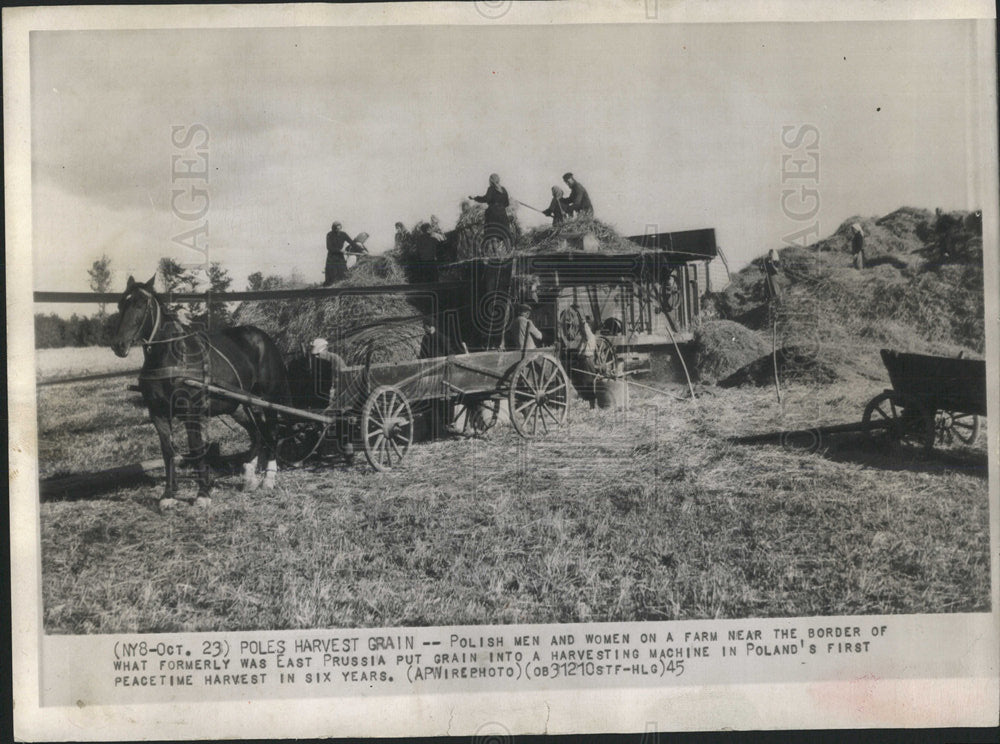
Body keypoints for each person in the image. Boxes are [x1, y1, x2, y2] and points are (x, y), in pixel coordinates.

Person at [470, 173, 512, 253]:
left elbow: (486, 199)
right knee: (505, 233)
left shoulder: (491, 189)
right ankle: (510, 253)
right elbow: (507, 203)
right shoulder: (504, 189)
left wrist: (475, 197)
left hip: (493, 213)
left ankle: (496, 255)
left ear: (491, 181)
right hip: (502, 213)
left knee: (493, 234)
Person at [324, 222, 364, 286]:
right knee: (331, 276)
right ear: (333, 229)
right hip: (332, 257)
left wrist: (361, 250)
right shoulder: (329, 235)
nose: (338, 230)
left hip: (340, 257)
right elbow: (329, 247)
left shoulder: (343, 234)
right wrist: (339, 251)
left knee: (343, 274)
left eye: (340, 229)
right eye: (336, 229)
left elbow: (352, 243)